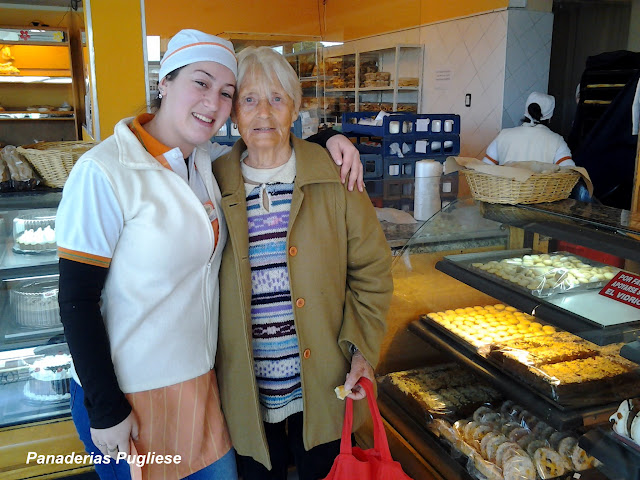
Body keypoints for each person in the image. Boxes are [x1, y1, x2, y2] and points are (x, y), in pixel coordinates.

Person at [56, 29, 363, 480]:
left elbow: (271, 142)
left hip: (203, 386)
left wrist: (329, 139)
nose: (213, 103)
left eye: (226, 92)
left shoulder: (206, 162)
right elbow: (76, 300)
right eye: (200, 83)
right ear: (165, 82)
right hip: (130, 395)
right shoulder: (104, 171)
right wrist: (104, 407)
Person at [213, 46, 393, 480]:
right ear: (234, 111)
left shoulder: (334, 174)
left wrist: (361, 350)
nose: (264, 113)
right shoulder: (212, 180)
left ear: (295, 109)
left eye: (277, 98)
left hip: (327, 384)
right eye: (250, 99)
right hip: (245, 393)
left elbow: (372, 271)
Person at [483, 92, 575, 167]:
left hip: (505, 189)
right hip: (542, 190)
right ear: (550, 117)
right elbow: (569, 172)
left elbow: (485, 167)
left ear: (526, 111)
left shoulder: (503, 135)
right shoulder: (557, 141)